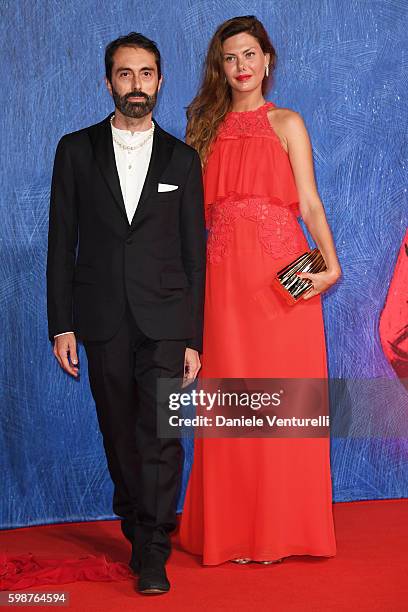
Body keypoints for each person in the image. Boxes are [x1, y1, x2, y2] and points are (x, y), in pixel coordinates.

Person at [47, 32, 206, 593]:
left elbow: (194, 254)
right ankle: (137, 528)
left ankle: (154, 548)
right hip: (102, 318)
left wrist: (194, 337)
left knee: (162, 433)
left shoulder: (183, 160)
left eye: (145, 74)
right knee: (118, 431)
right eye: (124, 73)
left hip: (166, 321)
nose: (135, 85)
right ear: (108, 81)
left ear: (160, 81)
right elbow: (61, 241)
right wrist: (61, 323)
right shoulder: (75, 150)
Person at [179, 16, 341, 565]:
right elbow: (187, 221)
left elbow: (311, 204)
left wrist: (331, 265)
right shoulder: (204, 128)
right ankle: (232, 533)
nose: (242, 66)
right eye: (231, 58)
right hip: (223, 281)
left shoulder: (289, 122)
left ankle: (282, 532)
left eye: (250, 54)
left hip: (283, 277)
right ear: (220, 68)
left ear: (267, 59)